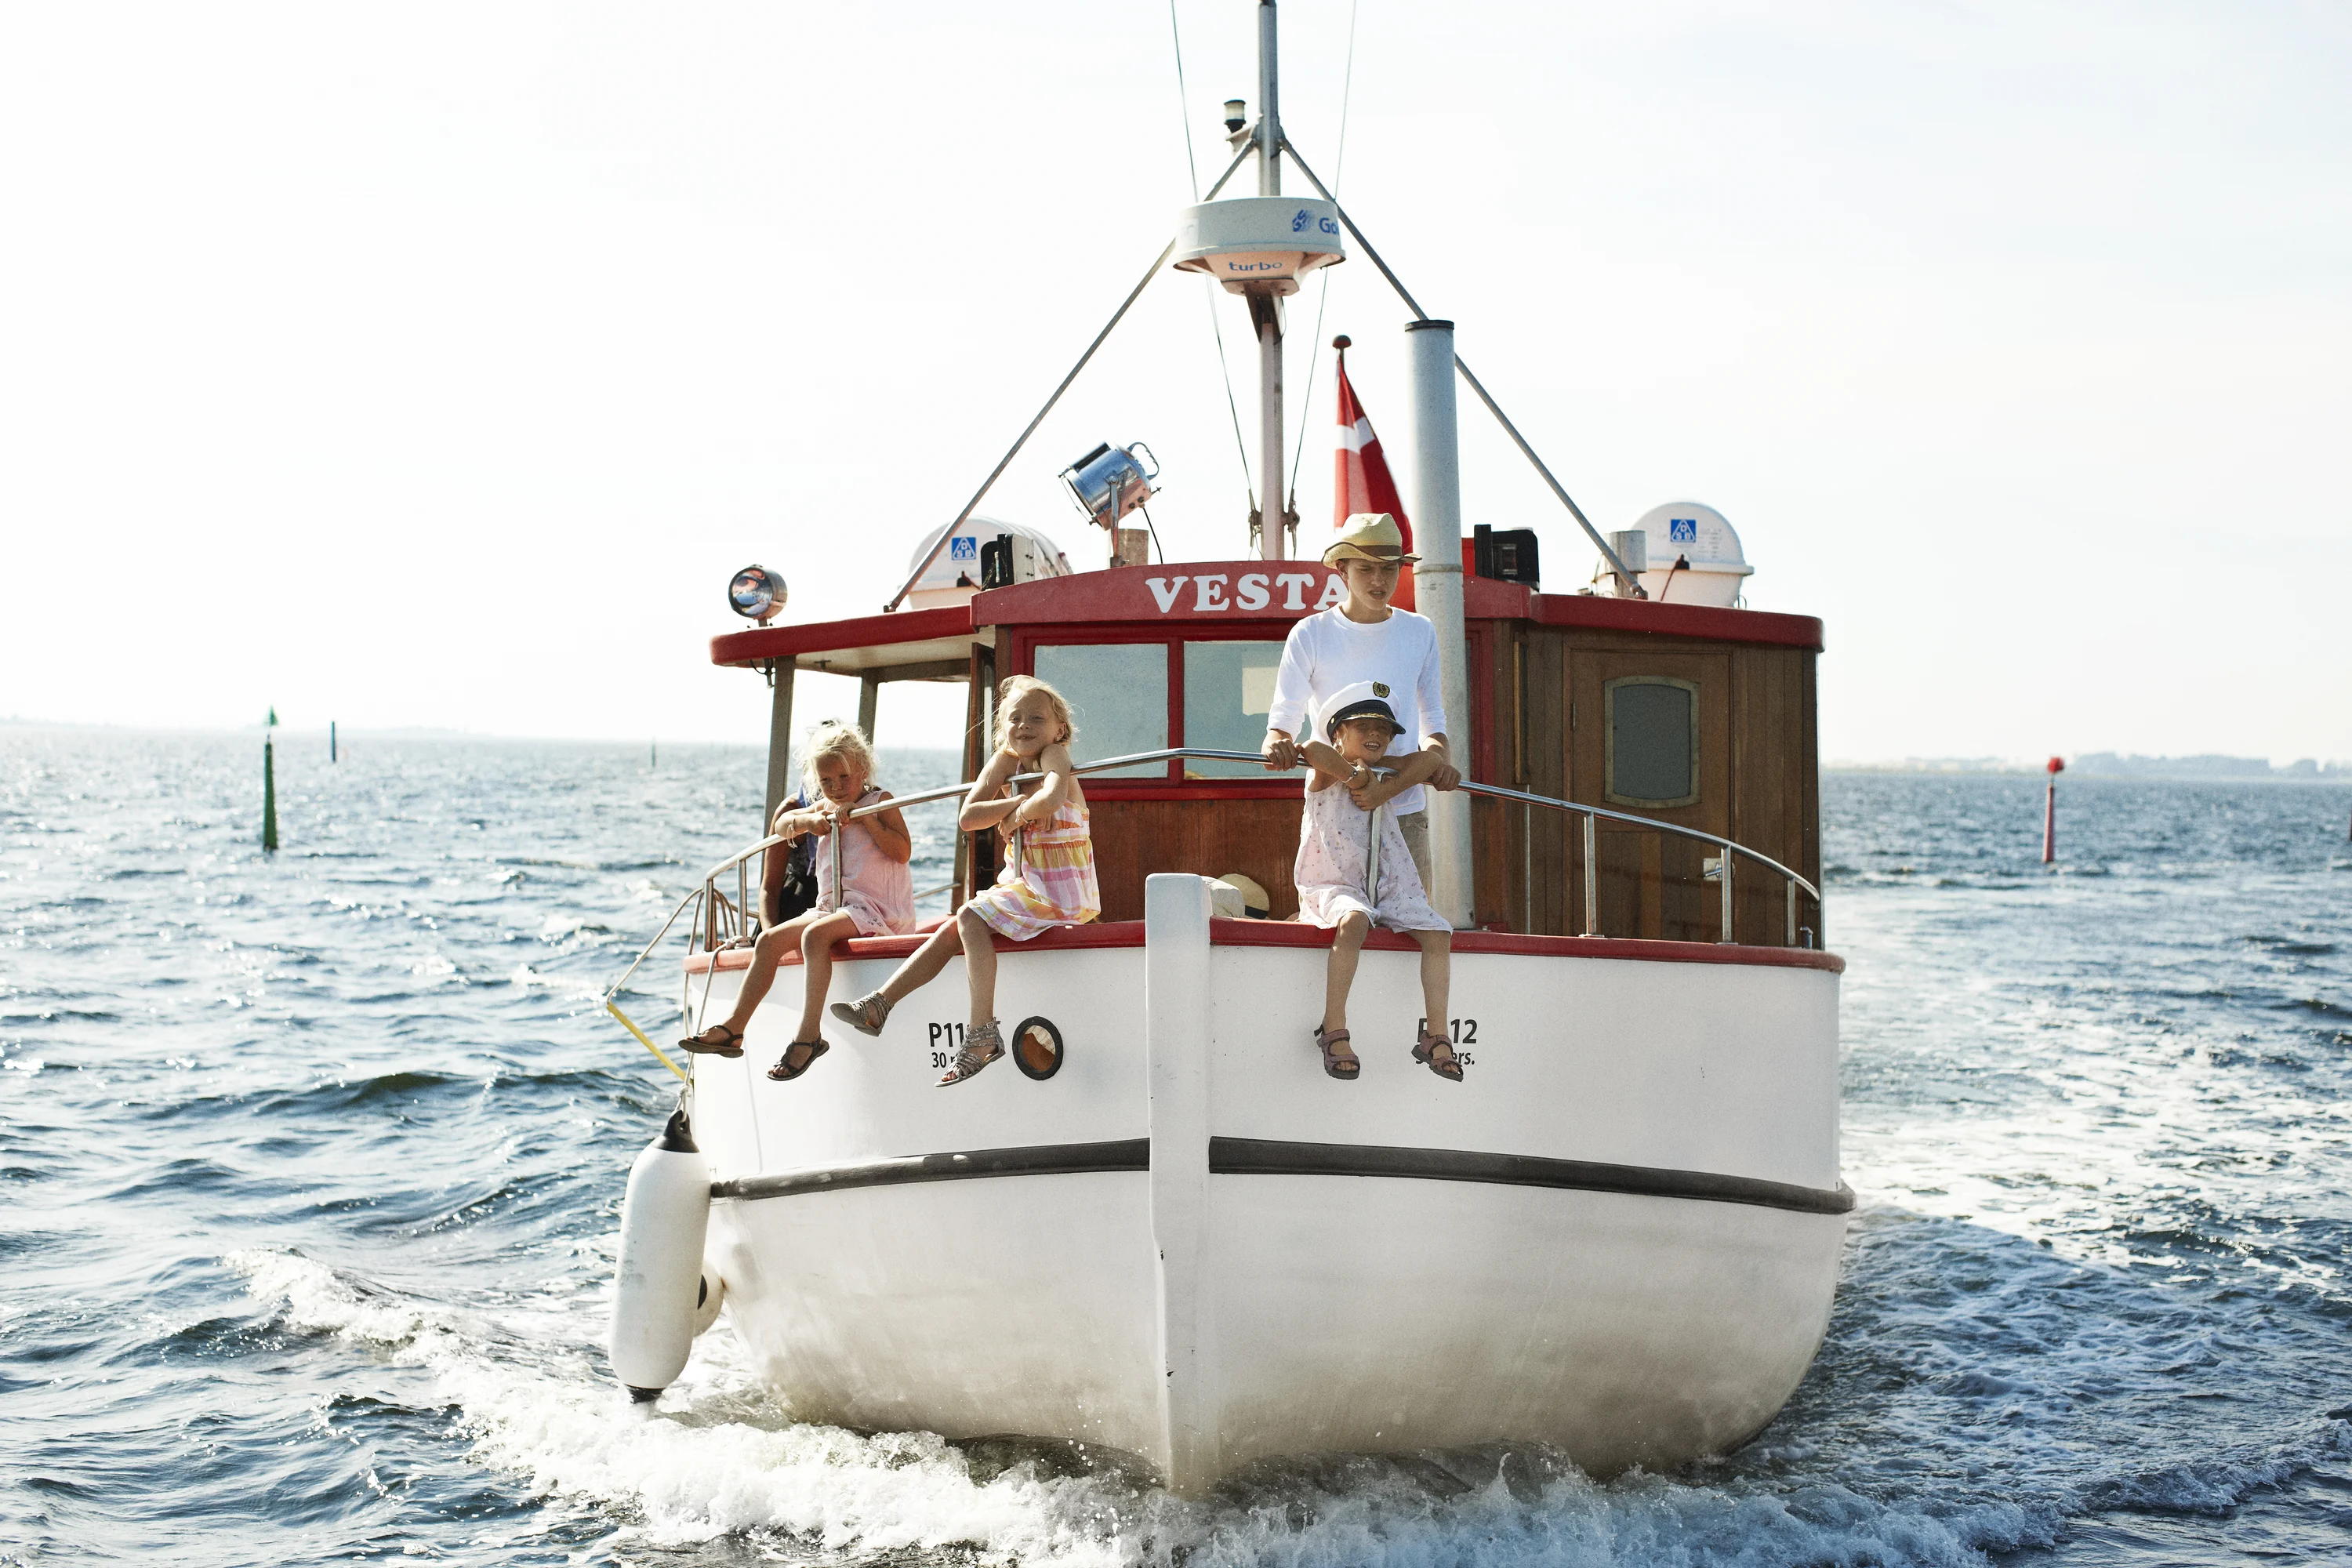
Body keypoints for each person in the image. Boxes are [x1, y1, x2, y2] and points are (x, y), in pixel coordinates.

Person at [829, 676, 1098, 1086]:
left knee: (970, 917)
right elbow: (969, 817)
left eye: (1036, 718)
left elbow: (1054, 796)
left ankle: (981, 1036)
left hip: (1060, 890)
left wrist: (1017, 815)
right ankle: (880, 1004)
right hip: (1027, 882)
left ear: (1059, 728)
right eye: (1015, 718)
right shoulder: (1007, 762)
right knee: (959, 924)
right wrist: (1014, 805)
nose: (1024, 726)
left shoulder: (1055, 755)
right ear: (1002, 728)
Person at [678, 721, 913, 1080]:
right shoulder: (822, 809)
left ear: (863, 769)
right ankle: (734, 1029)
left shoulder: (879, 802)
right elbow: (781, 826)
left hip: (876, 909)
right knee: (769, 941)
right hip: (833, 905)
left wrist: (867, 823)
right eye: (826, 781)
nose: (835, 788)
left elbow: (902, 851)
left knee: (813, 937)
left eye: (843, 778)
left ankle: (809, 1035)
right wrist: (808, 820)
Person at [1261, 512, 1461, 895]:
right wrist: (1277, 746)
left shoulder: (1421, 631)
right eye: (1366, 568)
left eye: (1389, 569)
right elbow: (1281, 724)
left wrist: (1442, 762)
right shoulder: (1310, 633)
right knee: (1341, 924)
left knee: (1414, 930)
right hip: (1334, 814)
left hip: (1405, 812)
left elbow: (1433, 722)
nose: (1378, 580)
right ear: (1342, 570)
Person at [1294, 682, 1460, 1082]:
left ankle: (1436, 1035)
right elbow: (1310, 749)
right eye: (1363, 726)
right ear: (1339, 735)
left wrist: (1384, 790)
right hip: (1335, 884)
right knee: (1354, 922)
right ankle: (1333, 1029)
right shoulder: (1325, 774)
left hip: (1386, 885)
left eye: (1384, 731)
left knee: (1438, 933)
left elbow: (1427, 760)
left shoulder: (1386, 770)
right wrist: (1354, 779)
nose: (1375, 735)